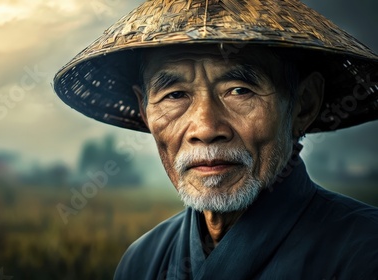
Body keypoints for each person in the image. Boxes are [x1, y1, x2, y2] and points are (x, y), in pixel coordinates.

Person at [54, 0, 378, 279]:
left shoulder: (364, 252)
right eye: (175, 94)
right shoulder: (142, 261)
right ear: (145, 110)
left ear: (303, 105)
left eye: (239, 90)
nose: (206, 128)